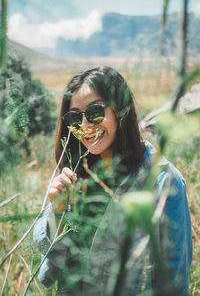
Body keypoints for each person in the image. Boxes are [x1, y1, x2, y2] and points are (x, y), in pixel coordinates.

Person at [33, 66, 192, 296]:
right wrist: (56, 212)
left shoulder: (163, 182)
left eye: (95, 112)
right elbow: (51, 268)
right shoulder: (74, 173)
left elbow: (175, 282)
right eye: (74, 116)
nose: (85, 125)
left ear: (120, 109)